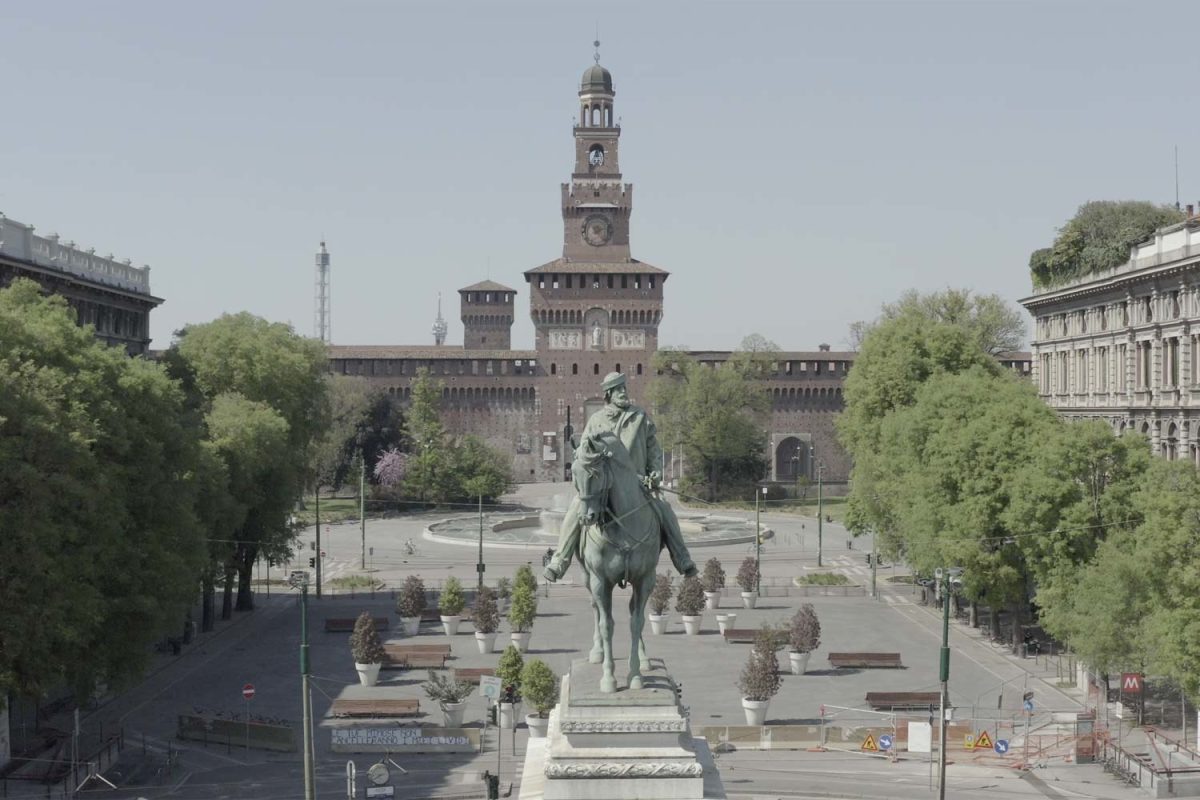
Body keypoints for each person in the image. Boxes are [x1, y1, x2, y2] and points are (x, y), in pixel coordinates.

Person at [543, 372, 698, 582]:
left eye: (624, 387)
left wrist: (655, 473)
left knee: (665, 509)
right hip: (602, 484)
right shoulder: (596, 421)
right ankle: (560, 560)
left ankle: (682, 558)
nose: (623, 392)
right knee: (575, 508)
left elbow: (653, 448)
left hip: (637, 485)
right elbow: (582, 452)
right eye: (618, 389)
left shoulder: (640, 417)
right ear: (608, 394)